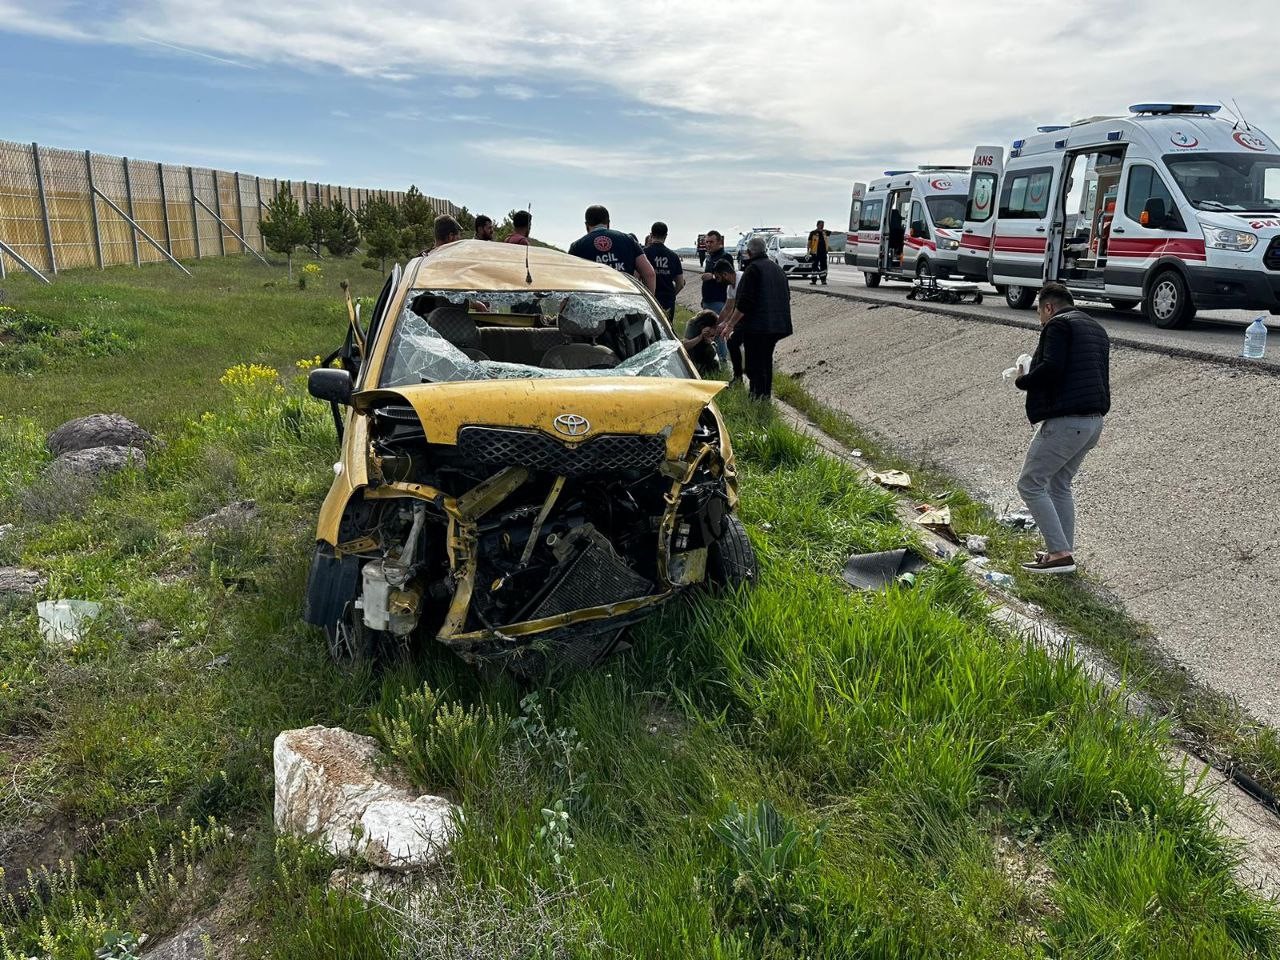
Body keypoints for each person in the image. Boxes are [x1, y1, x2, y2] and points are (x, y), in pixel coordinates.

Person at [1014, 282, 1110, 574]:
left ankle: (1059, 552)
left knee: (1030, 484)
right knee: (1059, 484)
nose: (1040, 320)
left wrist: (1023, 379)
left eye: (1039, 313)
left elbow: (1053, 368)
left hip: (1067, 421)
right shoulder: (1095, 327)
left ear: (1049, 307)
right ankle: (1063, 553)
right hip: (1093, 421)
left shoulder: (1057, 325)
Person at [715, 236, 792, 400]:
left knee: (753, 363)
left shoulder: (753, 269)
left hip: (758, 326)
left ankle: (756, 395)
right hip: (778, 324)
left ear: (749, 252)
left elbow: (744, 303)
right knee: (765, 360)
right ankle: (765, 396)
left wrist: (730, 325)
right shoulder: (777, 268)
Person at [567, 204, 657, 295]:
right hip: (625, 302)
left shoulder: (577, 247)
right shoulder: (628, 240)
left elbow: (567, 281)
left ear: (586, 225)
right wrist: (649, 304)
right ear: (608, 223)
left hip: (591, 304)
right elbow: (649, 274)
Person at [699, 230, 733, 362]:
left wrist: (712, 276)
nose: (708, 244)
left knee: (718, 332)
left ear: (719, 242)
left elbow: (729, 277)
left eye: (711, 242)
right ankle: (715, 359)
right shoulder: (709, 257)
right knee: (710, 332)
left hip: (719, 301)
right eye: (706, 242)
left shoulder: (725, 256)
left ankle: (723, 360)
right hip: (708, 300)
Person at [643, 221, 685, 321]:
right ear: (666, 236)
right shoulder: (673, 256)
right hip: (667, 301)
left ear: (651, 234)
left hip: (648, 299)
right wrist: (671, 295)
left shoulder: (644, 254)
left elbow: (636, 277)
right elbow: (680, 283)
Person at [681, 310, 721, 375]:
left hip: (706, 351)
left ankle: (711, 374)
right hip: (693, 348)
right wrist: (701, 336)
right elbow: (685, 346)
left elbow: (715, 350)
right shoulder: (693, 323)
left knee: (712, 354)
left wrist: (709, 340)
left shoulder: (717, 324)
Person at [807, 219, 829, 285]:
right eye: (821, 225)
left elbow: (835, 233)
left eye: (823, 225)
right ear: (817, 225)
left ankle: (823, 280)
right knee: (814, 267)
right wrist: (808, 252)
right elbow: (809, 243)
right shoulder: (813, 233)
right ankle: (814, 280)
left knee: (824, 267)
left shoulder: (825, 232)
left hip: (823, 253)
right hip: (815, 253)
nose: (822, 226)